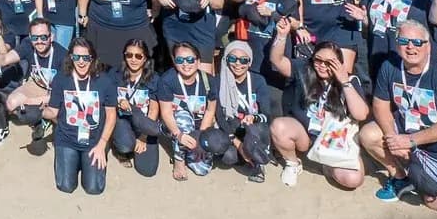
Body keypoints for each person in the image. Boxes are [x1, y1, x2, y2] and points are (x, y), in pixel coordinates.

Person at [359, 20, 437, 210]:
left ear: (428, 45)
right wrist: (393, 138)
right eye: (404, 41)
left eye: (417, 42)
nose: (411, 47)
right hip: (407, 130)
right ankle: (400, 177)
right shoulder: (389, 67)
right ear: (397, 44)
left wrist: (409, 141)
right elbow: (380, 105)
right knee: (368, 135)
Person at [269, 37, 370, 190]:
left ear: (339, 63)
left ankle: (327, 166)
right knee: (279, 126)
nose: (322, 66)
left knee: (353, 180)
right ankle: (293, 163)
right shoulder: (304, 70)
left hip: (335, 140)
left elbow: (361, 114)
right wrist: (282, 36)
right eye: (318, 60)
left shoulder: (350, 80)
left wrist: (344, 81)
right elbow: (277, 61)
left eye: (329, 62)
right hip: (306, 135)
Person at [43, 36, 116, 196]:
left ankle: (86, 162)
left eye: (86, 57)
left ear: (92, 58)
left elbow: (111, 115)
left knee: (94, 188)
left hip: (94, 140)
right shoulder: (61, 79)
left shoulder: (105, 81)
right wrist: (42, 111)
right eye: (76, 57)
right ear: (71, 58)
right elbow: (53, 112)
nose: (81, 62)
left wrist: (102, 144)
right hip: (67, 139)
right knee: (65, 186)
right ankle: (74, 160)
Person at [213, 39, 275, 182]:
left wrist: (254, 118)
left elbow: (266, 113)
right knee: (229, 157)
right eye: (233, 58)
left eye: (243, 60)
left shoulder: (258, 80)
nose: (238, 64)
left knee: (259, 127)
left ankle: (258, 162)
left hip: (252, 129)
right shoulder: (218, 81)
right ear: (226, 59)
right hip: (231, 128)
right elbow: (220, 115)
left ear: (250, 62)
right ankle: (245, 154)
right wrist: (237, 143)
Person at [155, 40, 217, 181]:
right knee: (183, 118)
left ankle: (189, 150)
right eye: (180, 60)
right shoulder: (167, 80)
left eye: (190, 59)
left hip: (199, 125)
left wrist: (201, 140)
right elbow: (166, 113)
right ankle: (179, 160)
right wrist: (179, 135)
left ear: (198, 61)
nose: (186, 64)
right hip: (174, 125)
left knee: (203, 170)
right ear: (174, 62)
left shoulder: (209, 81)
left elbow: (210, 111)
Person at [104, 39, 162, 178]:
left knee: (147, 170)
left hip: (143, 123)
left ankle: (136, 140)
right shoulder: (115, 73)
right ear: (124, 56)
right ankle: (119, 147)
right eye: (129, 55)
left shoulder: (153, 78)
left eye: (138, 56)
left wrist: (143, 137)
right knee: (125, 145)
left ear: (145, 58)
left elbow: (153, 110)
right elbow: (107, 101)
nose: (133, 59)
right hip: (122, 120)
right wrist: (118, 102)